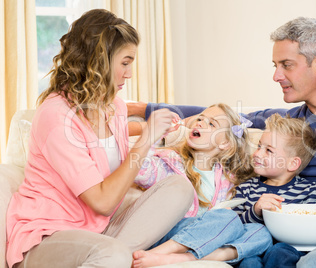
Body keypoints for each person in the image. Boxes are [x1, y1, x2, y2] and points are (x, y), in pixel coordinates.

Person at [127, 17, 316, 267]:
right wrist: (142, 108)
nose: (276, 76)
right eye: (276, 66)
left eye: (287, 66)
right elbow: (227, 117)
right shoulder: (293, 125)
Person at [6, 9, 194, 268]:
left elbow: (99, 141)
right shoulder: (56, 115)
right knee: (112, 253)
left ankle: (113, 259)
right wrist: (145, 140)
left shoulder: (113, 106)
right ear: (100, 61)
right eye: (125, 62)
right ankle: (114, 258)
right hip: (49, 236)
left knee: (180, 188)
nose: (129, 73)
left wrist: (149, 129)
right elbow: (103, 201)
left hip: (100, 230)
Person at [130, 103, 272, 267]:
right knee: (227, 218)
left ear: (225, 144)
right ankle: (158, 253)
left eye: (211, 124)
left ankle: (184, 259)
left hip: (205, 238)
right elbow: (138, 170)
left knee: (261, 233)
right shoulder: (170, 162)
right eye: (200, 118)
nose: (199, 123)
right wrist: (154, 136)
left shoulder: (228, 178)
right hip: (171, 233)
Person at [234, 113, 316, 268]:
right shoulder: (247, 188)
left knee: (280, 251)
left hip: (288, 250)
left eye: (269, 151)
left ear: (292, 164)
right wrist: (255, 210)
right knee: (249, 262)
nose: (257, 154)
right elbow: (233, 225)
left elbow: (314, 225)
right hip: (254, 248)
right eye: (259, 146)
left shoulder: (308, 190)